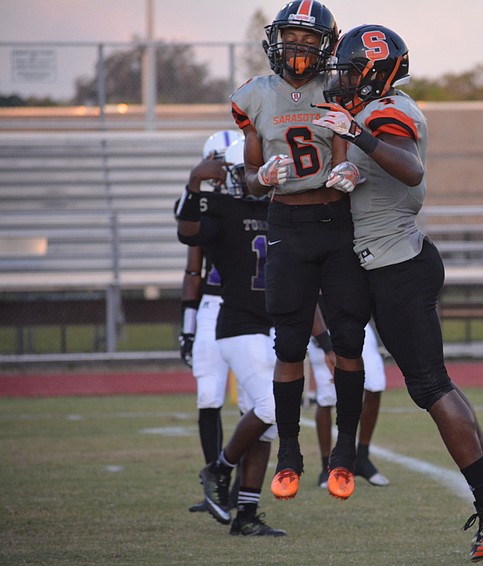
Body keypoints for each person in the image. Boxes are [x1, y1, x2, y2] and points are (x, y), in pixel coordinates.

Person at [313, 24, 483, 562]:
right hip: (394, 262)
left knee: (430, 387)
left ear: (375, 71)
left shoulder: (388, 111)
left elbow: (410, 169)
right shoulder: (378, 108)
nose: (340, 75)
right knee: (435, 383)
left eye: (350, 67)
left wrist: (355, 135)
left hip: (399, 266)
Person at [230, 0, 372, 502]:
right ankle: (289, 453)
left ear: (327, 47)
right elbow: (248, 180)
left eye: (311, 41)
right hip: (286, 221)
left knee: (349, 340)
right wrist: (261, 176)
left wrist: (352, 170)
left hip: (336, 223)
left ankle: (346, 454)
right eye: (293, 37)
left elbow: (353, 148)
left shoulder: (339, 89)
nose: (299, 48)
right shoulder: (253, 96)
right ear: (276, 40)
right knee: (289, 344)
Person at [177, 138, 285, 537]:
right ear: (238, 175)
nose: (260, 179)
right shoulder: (222, 207)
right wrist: (193, 186)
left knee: (267, 425)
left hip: (274, 326)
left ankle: (246, 516)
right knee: (271, 408)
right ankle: (219, 469)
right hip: (238, 325)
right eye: (251, 172)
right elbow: (188, 234)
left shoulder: (279, 210)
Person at [177, 130, 243, 514]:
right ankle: (217, 486)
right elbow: (192, 267)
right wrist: (187, 326)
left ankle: (240, 491)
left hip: (254, 309)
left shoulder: (258, 199)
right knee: (208, 396)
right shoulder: (200, 207)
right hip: (213, 308)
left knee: (255, 403)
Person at [309, 318, 390, 488]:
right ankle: (327, 467)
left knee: (375, 384)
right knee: (327, 397)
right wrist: (325, 343)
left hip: (356, 322)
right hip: (324, 329)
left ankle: (362, 457)